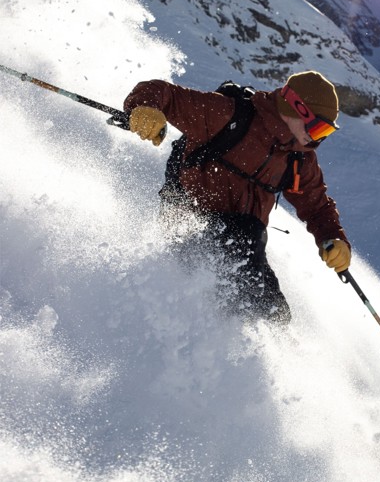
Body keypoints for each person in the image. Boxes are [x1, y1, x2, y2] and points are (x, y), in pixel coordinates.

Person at [124, 70, 351, 325]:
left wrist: (333, 238)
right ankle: (233, 341)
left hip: (240, 244)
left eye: (325, 134)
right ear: (297, 108)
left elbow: (316, 206)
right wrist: (144, 109)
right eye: (318, 128)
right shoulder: (229, 115)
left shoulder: (299, 158)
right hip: (187, 224)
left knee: (276, 312)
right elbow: (161, 92)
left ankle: (267, 357)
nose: (317, 140)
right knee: (247, 243)